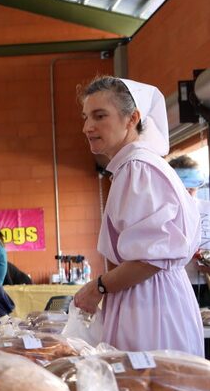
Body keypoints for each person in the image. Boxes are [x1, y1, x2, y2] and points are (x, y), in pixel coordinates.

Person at [74, 76, 202, 355]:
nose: (87, 127)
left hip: (151, 304)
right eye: (86, 117)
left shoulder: (139, 169)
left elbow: (150, 259)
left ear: (132, 118)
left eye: (99, 116)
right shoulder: (132, 168)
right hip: (146, 297)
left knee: (152, 386)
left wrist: (98, 287)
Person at [170, 155, 210, 308]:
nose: (187, 191)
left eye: (191, 188)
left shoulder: (208, 208)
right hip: (176, 284)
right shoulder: (164, 214)